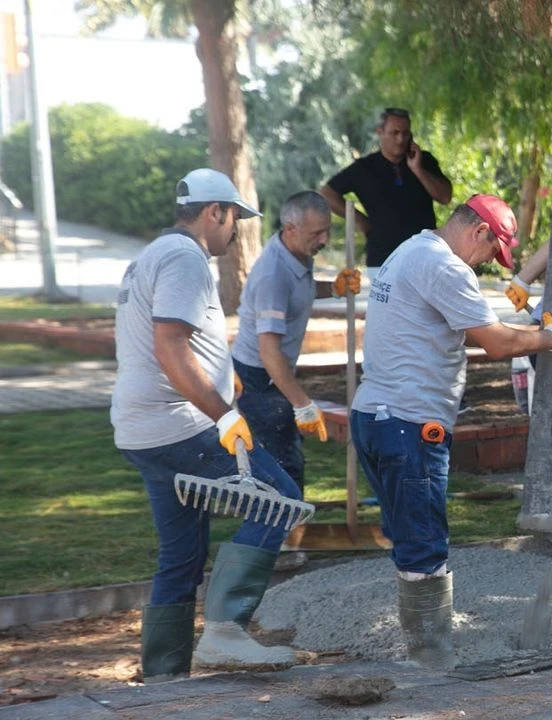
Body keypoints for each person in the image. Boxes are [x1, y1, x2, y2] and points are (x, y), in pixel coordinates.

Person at [350, 194, 552, 670]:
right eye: (490, 252)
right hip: (410, 425)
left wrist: (531, 329)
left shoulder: (409, 251)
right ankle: (431, 660)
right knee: (424, 544)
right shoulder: (445, 266)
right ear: (479, 231)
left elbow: (470, 327)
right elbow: (496, 344)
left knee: (407, 537)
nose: (483, 263)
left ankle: (422, 651)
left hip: (374, 417)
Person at [111, 169, 302, 682]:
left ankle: (164, 679)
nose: (236, 230)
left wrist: (221, 376)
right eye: (235, 217)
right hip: (179, 425)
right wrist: (225, 414)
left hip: (143, 429)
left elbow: (166, 343)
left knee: (182, 553)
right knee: (279, 499)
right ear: (215, 211)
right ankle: (225, 634)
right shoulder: (185, 258)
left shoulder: (151, 254)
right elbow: (170, 345)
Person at [233, 191, 362, 494]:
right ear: (290, 229)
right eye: (316, 233)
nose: (324, 240)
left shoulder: (297, 254)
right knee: (280, 469)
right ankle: (276, 522)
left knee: (284, 461)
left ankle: (282, 519)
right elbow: (268, 351)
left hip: (270, 372)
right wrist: (302, 403)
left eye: (327, 230)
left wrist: (334, 288)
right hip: (259, 378)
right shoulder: (273, 275)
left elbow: (299, 291)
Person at [320, 107, 453, 268]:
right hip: (382, 258)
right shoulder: (364, 168)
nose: (400, 139)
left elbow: (445, 197)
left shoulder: (424, 160)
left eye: (405, 133)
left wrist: (418, 170)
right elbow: (326, 193)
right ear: (380, 132)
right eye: (394, 133)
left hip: (424, 256)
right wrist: (360, 220)